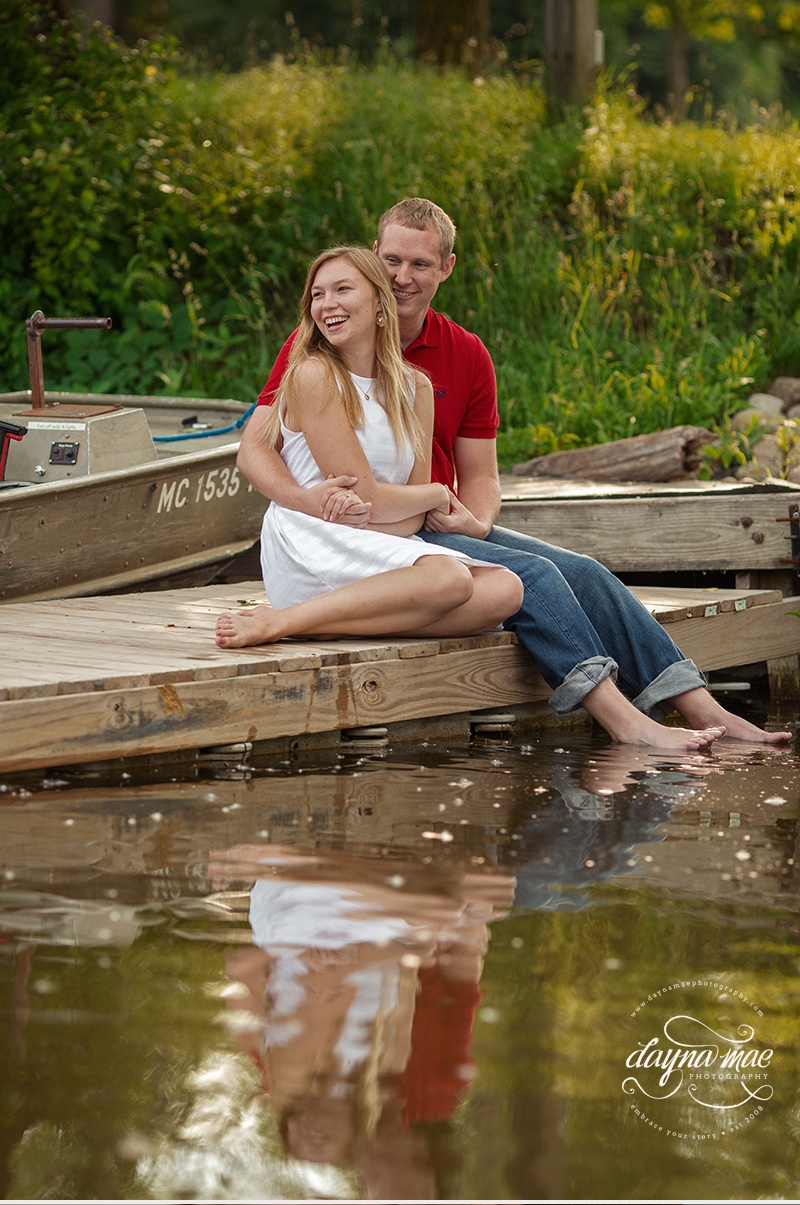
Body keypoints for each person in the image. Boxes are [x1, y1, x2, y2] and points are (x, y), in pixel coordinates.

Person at [235, 198, 791, 751]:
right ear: (375, 260)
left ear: (446, 268)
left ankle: (703, 708)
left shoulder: (461, 357)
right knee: (541, 578)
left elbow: (480, 475)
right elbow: (257, 451)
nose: (403, 277)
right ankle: (625, 723)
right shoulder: (322, 341)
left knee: (587, 573)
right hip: (376, 522)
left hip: (433, 518)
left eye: (420, 264)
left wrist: (475, 525)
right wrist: (307, 501)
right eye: (393, 261)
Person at [215, 245, 524, 650]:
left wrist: (396, 506)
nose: (327, 305)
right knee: (448, 579)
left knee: (506, 589)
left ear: (380, 302)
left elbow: (407, 517)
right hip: (314, 537)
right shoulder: (314, 373)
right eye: (317, 295)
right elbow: (382, 498)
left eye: (342, 289)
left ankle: (327, 622)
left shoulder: (416, 389)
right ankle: (284, 620)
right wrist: (434, 493)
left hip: (379, 536)